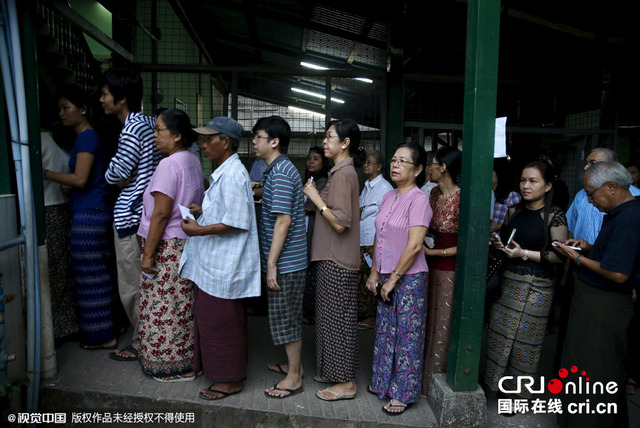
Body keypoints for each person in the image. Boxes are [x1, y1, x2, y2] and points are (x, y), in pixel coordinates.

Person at [179, 116, 260, 400]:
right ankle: (221, 372)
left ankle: (230, 380)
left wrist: (199, 229)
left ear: (225, 142)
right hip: (217, 265)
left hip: (225, 266)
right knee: (213, 320)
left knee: (221, 323)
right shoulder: (226, 172)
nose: (202, 144)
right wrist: (202, 212)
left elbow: (237, 221)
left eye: (208, 139)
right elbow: (227, 213)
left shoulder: (234, 175)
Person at [554, 161, 639, 428]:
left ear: (611, 187)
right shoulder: (621, 213)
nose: (590, 201)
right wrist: (588, 247)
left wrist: (577, 258)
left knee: (596, 370)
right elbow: (613, 254)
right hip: (594, 302)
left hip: (604, 306)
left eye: (592, 194)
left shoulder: (629, 217)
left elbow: (617, 273)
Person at [482, 160, 568, 398]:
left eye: (533, 181)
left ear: (548, 185)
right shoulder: (514, 209)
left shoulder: (554, 215)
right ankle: (492, 387)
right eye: (523, 180)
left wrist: (524, 254)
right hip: (507, 283)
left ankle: (517, 394)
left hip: (536, 288)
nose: (526, 186)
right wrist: (501, 245)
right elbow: (509, 241)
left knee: (524, 344)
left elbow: (560, 257)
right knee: (498, 338)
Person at [43, 84, 117, 350]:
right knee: (96, 274)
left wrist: (47, 174)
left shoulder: (86, 137)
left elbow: (81, 178)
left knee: (89, 276)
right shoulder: (87, 137)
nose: (62, 113)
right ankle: (104, 332)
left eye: (67, 107)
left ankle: (101, 336)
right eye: (60, 108)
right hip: (93, 210)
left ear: (83, 110)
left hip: (89, 215)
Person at [136, 109, 205, 381]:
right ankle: (187, 360)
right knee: (181, 305)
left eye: (159, 130)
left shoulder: (169, 164)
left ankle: (169, 364)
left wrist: (148, 255)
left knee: (163, 306)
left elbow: (161, 213)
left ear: (176, 135)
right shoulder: (192, 160)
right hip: (185, 243)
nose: (154, 135)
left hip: (166, 245)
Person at [365, 143, 431, 415]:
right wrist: (374, 272)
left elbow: (415, 245)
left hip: (410, 279)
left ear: (417, 170)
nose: (395, 165)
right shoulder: (389, 195)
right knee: (384, 332)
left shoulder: (419, 200)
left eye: (403, 161)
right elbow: (380, 236)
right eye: (393, 160)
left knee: (407, 337)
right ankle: (382, 383)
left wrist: (392, 279)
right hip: (385, 274)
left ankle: (403, 393)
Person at [303, 119, 365, 401]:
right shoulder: (339, 171)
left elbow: (341, 223)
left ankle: (347, 383)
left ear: (345, 143)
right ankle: (331, 371)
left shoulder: (343, 174)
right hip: (329, 257)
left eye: (329, 137)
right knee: (328, 319)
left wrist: (316, 197)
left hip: (338, 259)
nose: (324, 141)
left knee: (339, 322)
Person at [101, 70, 161, 362]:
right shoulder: (152, 124)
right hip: (150, 214)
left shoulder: (130, 128)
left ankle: (141, 343)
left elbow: (117, 173)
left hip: (130, 214)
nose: (101, 99)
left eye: (105, 94)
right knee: (149, 281)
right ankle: (150, 337)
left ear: (121, 99)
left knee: (131, 286)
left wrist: (116, 176)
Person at [251, 116, 307, 399]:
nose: (254, 142)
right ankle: (292, 366)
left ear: (274, 142)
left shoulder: (282, 173)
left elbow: (283, 221)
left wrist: (271, 264)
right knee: (286, 316)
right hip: (287, 261)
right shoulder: (277, 170)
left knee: (287, 318)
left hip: (287, 263)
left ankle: (295, 377)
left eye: (258, 137)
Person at [420, 146, 462, 395]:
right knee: (428, 319)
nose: (429, 169)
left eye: (433, 164)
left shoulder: (461, 197)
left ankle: (435, 381)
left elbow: (466, 243)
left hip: (448, 265)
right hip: (428, 261)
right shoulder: (434, 193)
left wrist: (434, 253)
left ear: (443, 168)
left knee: (442, 323)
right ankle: (422, 379)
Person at [41, 126, 77, 340]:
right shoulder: (61, 140)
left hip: (48, 208)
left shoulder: (38, 142)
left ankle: (54, 327)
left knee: (51, 271)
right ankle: (65, 324)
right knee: (62, 269)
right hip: (64, 207)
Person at [357, 150, 393, 330]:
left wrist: (375, 245)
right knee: (362, 277)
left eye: (370, 163)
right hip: (361, 239)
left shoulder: (385, 188)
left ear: (379, 167)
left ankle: (371, 316)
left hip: (372, 240)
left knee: (371, 278)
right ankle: (364, 314)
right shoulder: (366, 186)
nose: (366, 165)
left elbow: (384, 219)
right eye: (365, 162)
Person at [301, 146, 330, 325]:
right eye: (309, 158)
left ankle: (311, 314)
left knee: (312, 272)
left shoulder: (323, 182)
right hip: (305, 232)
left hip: (315, 233)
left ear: (323, 162)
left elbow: (311, 207)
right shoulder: (308, 180)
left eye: (316, 159)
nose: (311, 161)